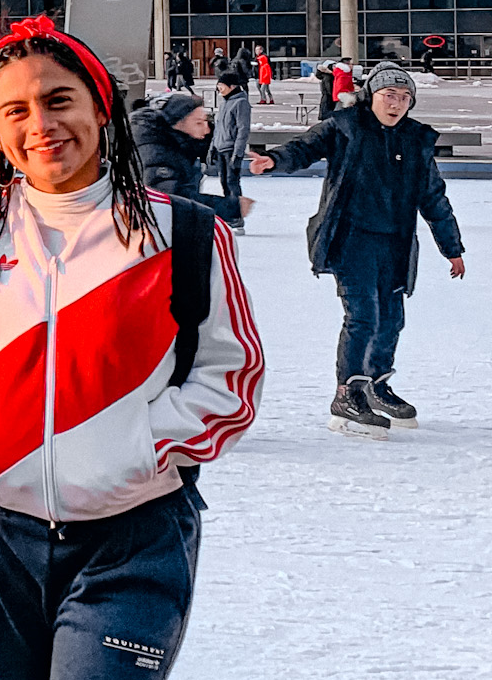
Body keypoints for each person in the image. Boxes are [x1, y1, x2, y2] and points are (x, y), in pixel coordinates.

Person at [0, 15, 263, 680]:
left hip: (131, 543)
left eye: (59, 99)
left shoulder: (183, 232)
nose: (43, 125)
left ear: (101, 107)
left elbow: (230, 374)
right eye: (17, 111)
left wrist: (141, 447)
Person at [248, 60, 466, 437]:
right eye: (388, 95)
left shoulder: (415, 140)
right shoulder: (346, 126)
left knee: (391, 319)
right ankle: (347, 394)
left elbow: (433, 197)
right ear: (372, 96)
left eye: (403, 97)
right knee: (363, 315)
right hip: (351, 239)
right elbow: (306, 146)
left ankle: (376, 385)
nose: (396, 104)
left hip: (395, 243)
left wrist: (452, 247)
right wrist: (275, 160)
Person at [129, 92, 247, 229]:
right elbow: (170, 199)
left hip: (174, 230)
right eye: (198, 123)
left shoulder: (178, 143)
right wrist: (228, 207)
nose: (206, 129)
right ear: (178, 123)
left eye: (206, 121)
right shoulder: (155, 151)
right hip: (154, 234)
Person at [209, 70, 252, 229]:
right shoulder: (225, 103)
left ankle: (237, 217)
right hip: (220, 149)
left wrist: (238, 153)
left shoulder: (241, 103)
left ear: (232, 86)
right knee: (224, 183)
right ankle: (229, 214)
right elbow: (218, 128)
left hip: (231, 150)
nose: (219, 89)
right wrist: (212, 147)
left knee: (232, 183)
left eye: (221, 86)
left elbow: (243, 130)